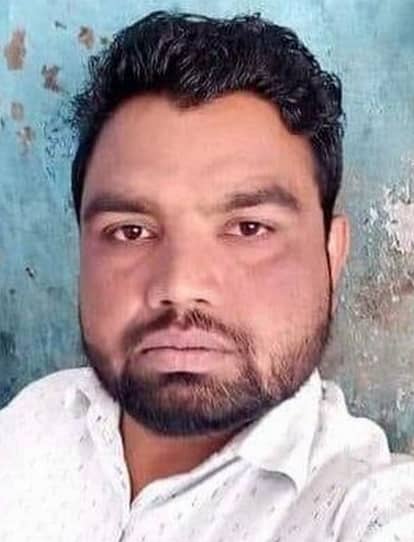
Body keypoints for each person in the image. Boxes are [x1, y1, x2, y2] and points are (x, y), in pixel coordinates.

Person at [1, 10, 413, 542]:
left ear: (332, 257)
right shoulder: (34, 422)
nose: (180, 285)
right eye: (131, 231)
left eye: (248, 228)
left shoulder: (366, 509)